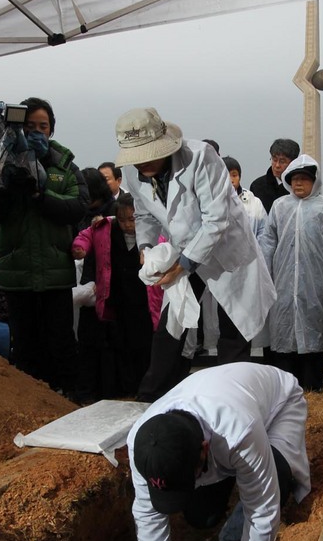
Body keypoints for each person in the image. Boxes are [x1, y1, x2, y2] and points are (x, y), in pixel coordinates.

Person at [127, 362, 311, 541]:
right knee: (202, 516)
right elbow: (147, 510)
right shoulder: (143, 442)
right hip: (223, 417)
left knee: (277, 475)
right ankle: (222, 488)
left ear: (203, 449)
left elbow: (263, 511)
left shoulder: (239, 430)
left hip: (277, 407)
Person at [114, 107, 276, 402]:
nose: (144, 163)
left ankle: (227, 402)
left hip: (228, 252)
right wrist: (145, 248)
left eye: (150, 154)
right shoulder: (132, 171)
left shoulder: (200, 157)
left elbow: (216, 219)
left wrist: (184, 265)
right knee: (170, 327)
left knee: (233, 330)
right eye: (137, 158)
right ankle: (155, 397)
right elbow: (145, 214)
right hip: (184, 251)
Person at [0, 96, 88, 398]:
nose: (37, 132)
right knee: (25, 342)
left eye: (44, 126)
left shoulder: (64, 165)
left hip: (55, 273)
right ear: (16, 128)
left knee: (62, 340)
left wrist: (41, 193)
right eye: (30, 126)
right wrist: (3, 185)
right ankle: (31, 403)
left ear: (52, 130)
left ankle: (72, 400)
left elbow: (78, 207)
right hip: (18, 274)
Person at [259, 155, 323, 392]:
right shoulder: (280, 206)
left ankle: (312, 390)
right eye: (294, 179)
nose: (298, 183)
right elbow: (267, 242)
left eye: (304, 179)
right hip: (282, 284)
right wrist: (264, 277)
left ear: (314, 181)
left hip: (314, 285)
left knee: (312, 337)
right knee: (283, 337)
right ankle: (287, 393)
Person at [72, 194, 153, 398]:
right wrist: (79, 248)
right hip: (116, 298)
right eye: (122, 219)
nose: (127, 224)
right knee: (119, 345)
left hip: (143, 300)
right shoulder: (106, 228)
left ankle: (143, 388)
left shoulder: (152, 232)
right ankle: (124, 389)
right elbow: (87, 235)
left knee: (143, 345)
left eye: (132, 219)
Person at [250, 139, 300, 213]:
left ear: (293, 162)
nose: (277, 165)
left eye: (282, 161)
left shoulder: (300, 186)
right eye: (274, 160)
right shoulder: (257, 186)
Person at [222, 155, 267, 239]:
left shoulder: (254, 202)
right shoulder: (210, 201)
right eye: (226, 176)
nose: (231, 180)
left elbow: (264, 231)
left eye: (234, 175)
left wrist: (256, 250)